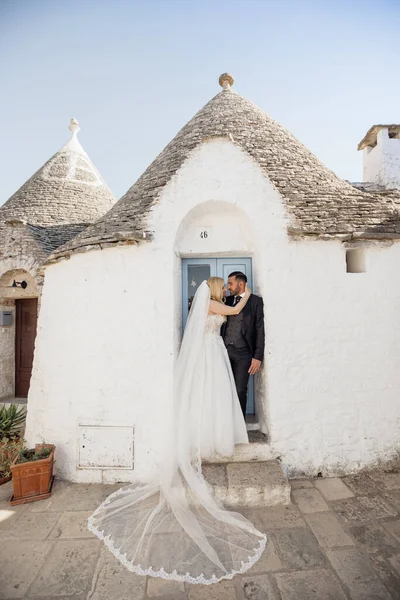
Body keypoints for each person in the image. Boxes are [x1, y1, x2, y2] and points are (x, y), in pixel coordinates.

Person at [88, 278, 266, 585]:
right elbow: (234, 313)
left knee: (214, 398)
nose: (225, 289)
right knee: (211, 396)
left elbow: (231, 313)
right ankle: (210, 436)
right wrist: (246, 292)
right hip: (212, 355)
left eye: (228, 286)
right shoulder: (211, 304)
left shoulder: (211, 304)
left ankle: (213, 433)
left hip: (216, 354)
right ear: (212, 291)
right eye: (221, 286)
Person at [222, 271, 265, 417]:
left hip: (244, 353)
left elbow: (259, 329)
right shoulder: (225, 301)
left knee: (240, 389)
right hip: (224, 351)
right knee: (223, 389)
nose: (228, 287)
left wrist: (257, 356)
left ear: (241, 284)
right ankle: (225, 424)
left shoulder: (255, 302)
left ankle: (239, 426)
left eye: (230, 283)